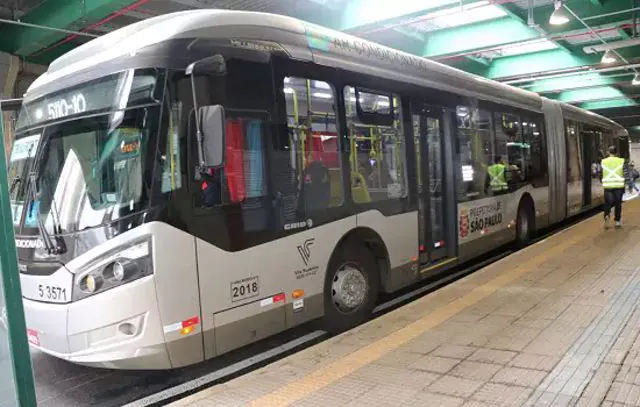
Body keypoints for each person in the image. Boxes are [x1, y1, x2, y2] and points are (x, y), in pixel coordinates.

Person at [601, 145, 626, 228]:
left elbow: (600, 174)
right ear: (616, 153)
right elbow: (625, 173)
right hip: (619, 186)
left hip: (608, 187)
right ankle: (617, 221)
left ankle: (607, 215)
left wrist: (603, 182)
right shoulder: (621, 161)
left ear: (608, 152)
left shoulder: (603, 161)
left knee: (607, 203)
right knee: (618, 204)